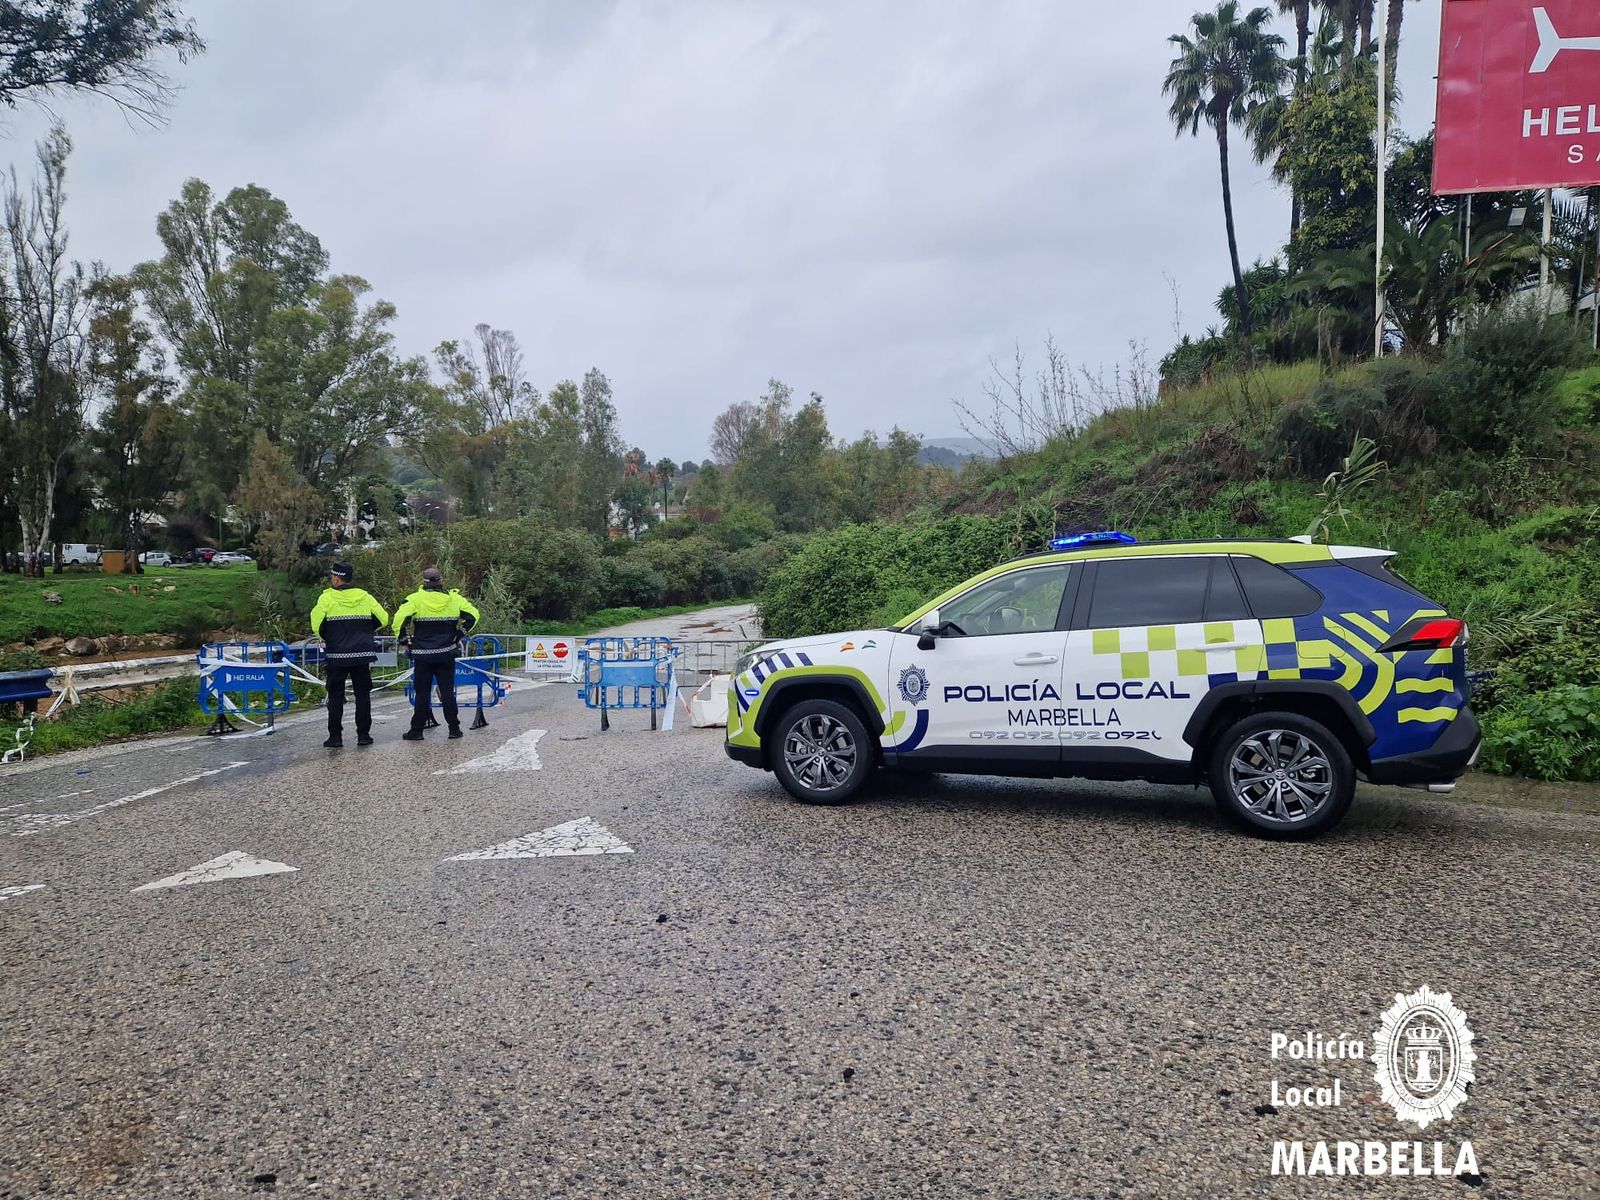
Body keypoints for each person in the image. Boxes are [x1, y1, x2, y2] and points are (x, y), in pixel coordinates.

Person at [392, 566, 481, 741]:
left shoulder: (415, 599)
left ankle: (416, 731)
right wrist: (459, 634)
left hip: (423, 654)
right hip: (446, 653)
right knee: (447, 692)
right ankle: (454, 729)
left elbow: (398, 620)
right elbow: (473, 615)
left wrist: (404, 640)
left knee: (423, 693)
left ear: (423, 583)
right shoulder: (454, 599)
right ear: (441, 581)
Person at [309, 561, 389, 748]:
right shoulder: (365, 597)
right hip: (362, 654)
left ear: (336, 578)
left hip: (337, 655)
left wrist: (329, 637)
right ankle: (363, 735)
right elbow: (383, 618)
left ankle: (335, 737)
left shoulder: (326, 599)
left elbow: (316, 625)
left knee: (336, 696)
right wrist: (366, 631)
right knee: (363, 695)